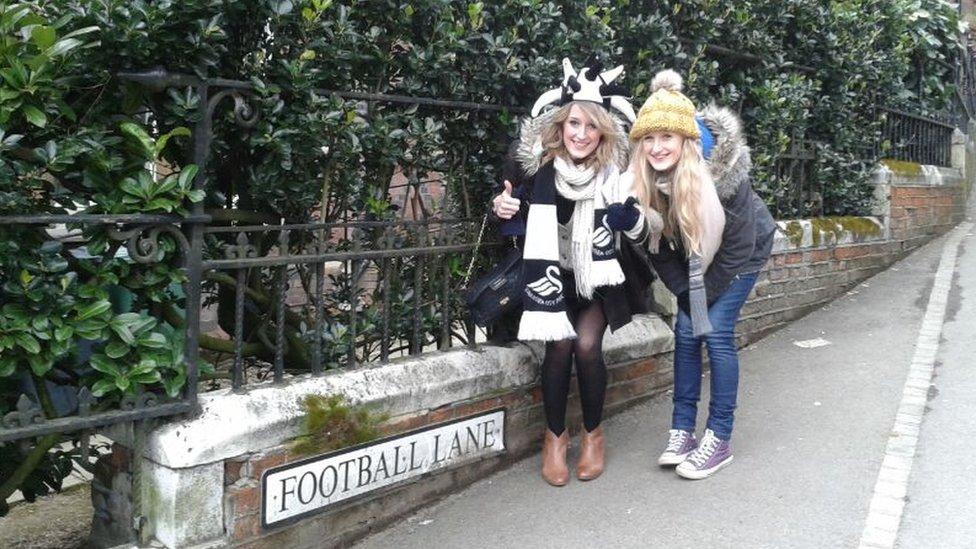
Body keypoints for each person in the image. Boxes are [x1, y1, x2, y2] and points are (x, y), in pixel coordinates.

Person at [490, 58, 647, 486]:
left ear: (602, 132)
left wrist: (626, 218)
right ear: (560, 125)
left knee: (586, 345)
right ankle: (555, 439)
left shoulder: (617, 174)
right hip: (552, 280)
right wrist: (501, 208)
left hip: (598, 280)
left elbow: (642, 229)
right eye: (573, 123)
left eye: (590, 126)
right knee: (559, 348)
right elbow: (509, 213)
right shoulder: (536, 169)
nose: (580, 134)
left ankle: (593, 436)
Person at [624, 69, 776, 480]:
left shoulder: (723, 176)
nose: (657, 147)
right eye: (649, 139)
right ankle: (682, 431)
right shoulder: (645, 180)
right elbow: (655, 247)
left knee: (716, 329)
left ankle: (719, 438)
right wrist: (684, 292)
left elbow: (739, 247)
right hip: (692, 257)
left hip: (741, 254)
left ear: (685, 139)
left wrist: (701, 296)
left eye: (666, 137)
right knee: (687, 329)